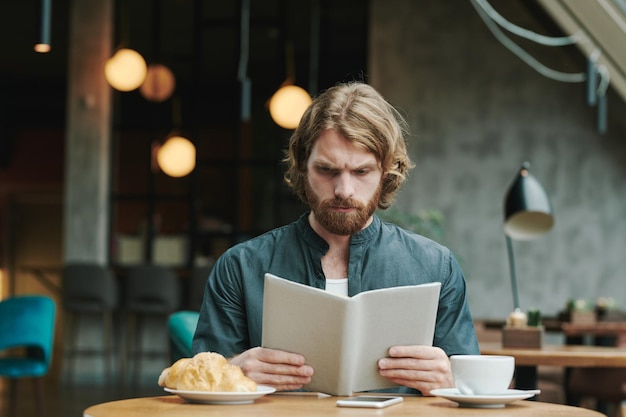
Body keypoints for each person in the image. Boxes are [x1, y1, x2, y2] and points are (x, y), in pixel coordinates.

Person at [192, 81, 479, 395]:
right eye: (327, 170)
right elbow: (196, 391)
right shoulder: (241, 267)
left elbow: (473, 394)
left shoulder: (436, 267)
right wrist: (233, 372)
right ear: (302, 167)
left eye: (361, 172)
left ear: (387, 171)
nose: (344, 190)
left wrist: (450, 382)